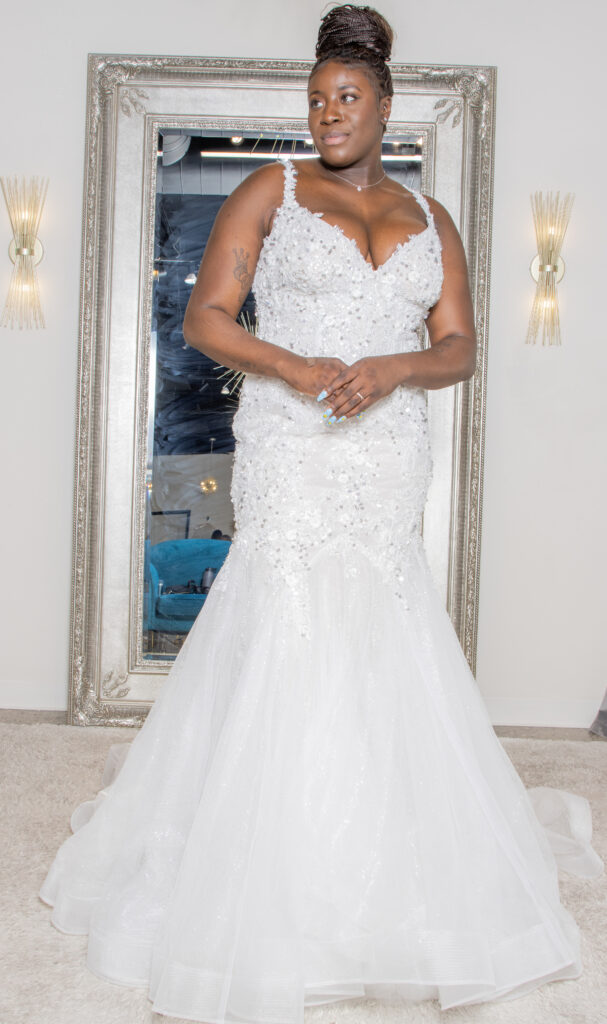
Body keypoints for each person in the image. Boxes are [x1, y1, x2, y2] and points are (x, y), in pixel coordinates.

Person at [39, 5, 603, 1021]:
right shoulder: (271, 188)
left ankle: (389, 858)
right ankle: (267, 866)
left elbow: (460, 347)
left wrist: (391, 370)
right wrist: (298, 367)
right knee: (289, 615)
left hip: (386, 448)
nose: (327, 114)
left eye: (345, 98)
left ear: (385, 105)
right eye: (314, 100)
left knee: (384, 619)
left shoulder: (435, 221)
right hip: (292, 442)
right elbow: (206, 315)